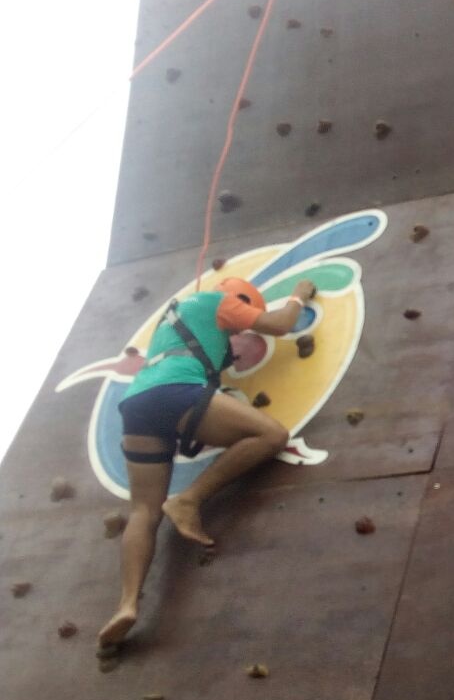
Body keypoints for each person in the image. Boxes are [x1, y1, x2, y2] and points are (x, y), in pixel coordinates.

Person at [97, 276, 316, 648]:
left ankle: (127, 604)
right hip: (176, 391)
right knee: (270, 435)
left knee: (143, 511)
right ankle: (189, 499)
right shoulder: (219, 302)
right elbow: (280, 325)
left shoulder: (175, 318)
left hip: (136, 406)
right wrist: (299, 296)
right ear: (242, 299)